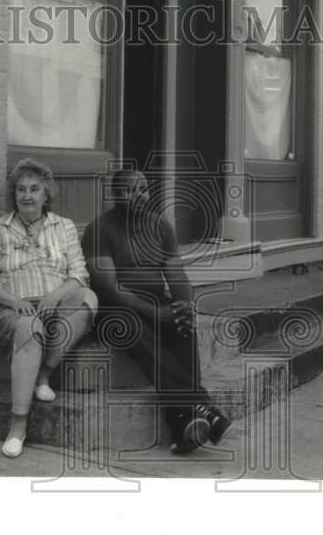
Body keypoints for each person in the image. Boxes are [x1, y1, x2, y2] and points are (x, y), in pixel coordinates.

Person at [82, 169, 230, 455]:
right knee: (138, 328)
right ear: (116, 195)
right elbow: (111, 289)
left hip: (152, 300)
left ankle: (183, 425)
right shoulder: (98, 230)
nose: (139, 195)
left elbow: (176, 275)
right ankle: (202, 404)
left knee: (183, 325)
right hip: (115, 310)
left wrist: (185, 307)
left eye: (144, 189)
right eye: (130, 190)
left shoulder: (161, 227)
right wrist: (157, 314)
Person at [0, 158, 98, 458]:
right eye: (20, 189)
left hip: (53, 303)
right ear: (14, 194)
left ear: (46, 194)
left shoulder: (64, 227)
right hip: (11, 308)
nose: (27, 196)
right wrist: (15, 302)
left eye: (34, 189)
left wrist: (55, 296)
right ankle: (18, 426)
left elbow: (79, 273)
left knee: (87, 298)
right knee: (29, 329)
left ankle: (44, 373)